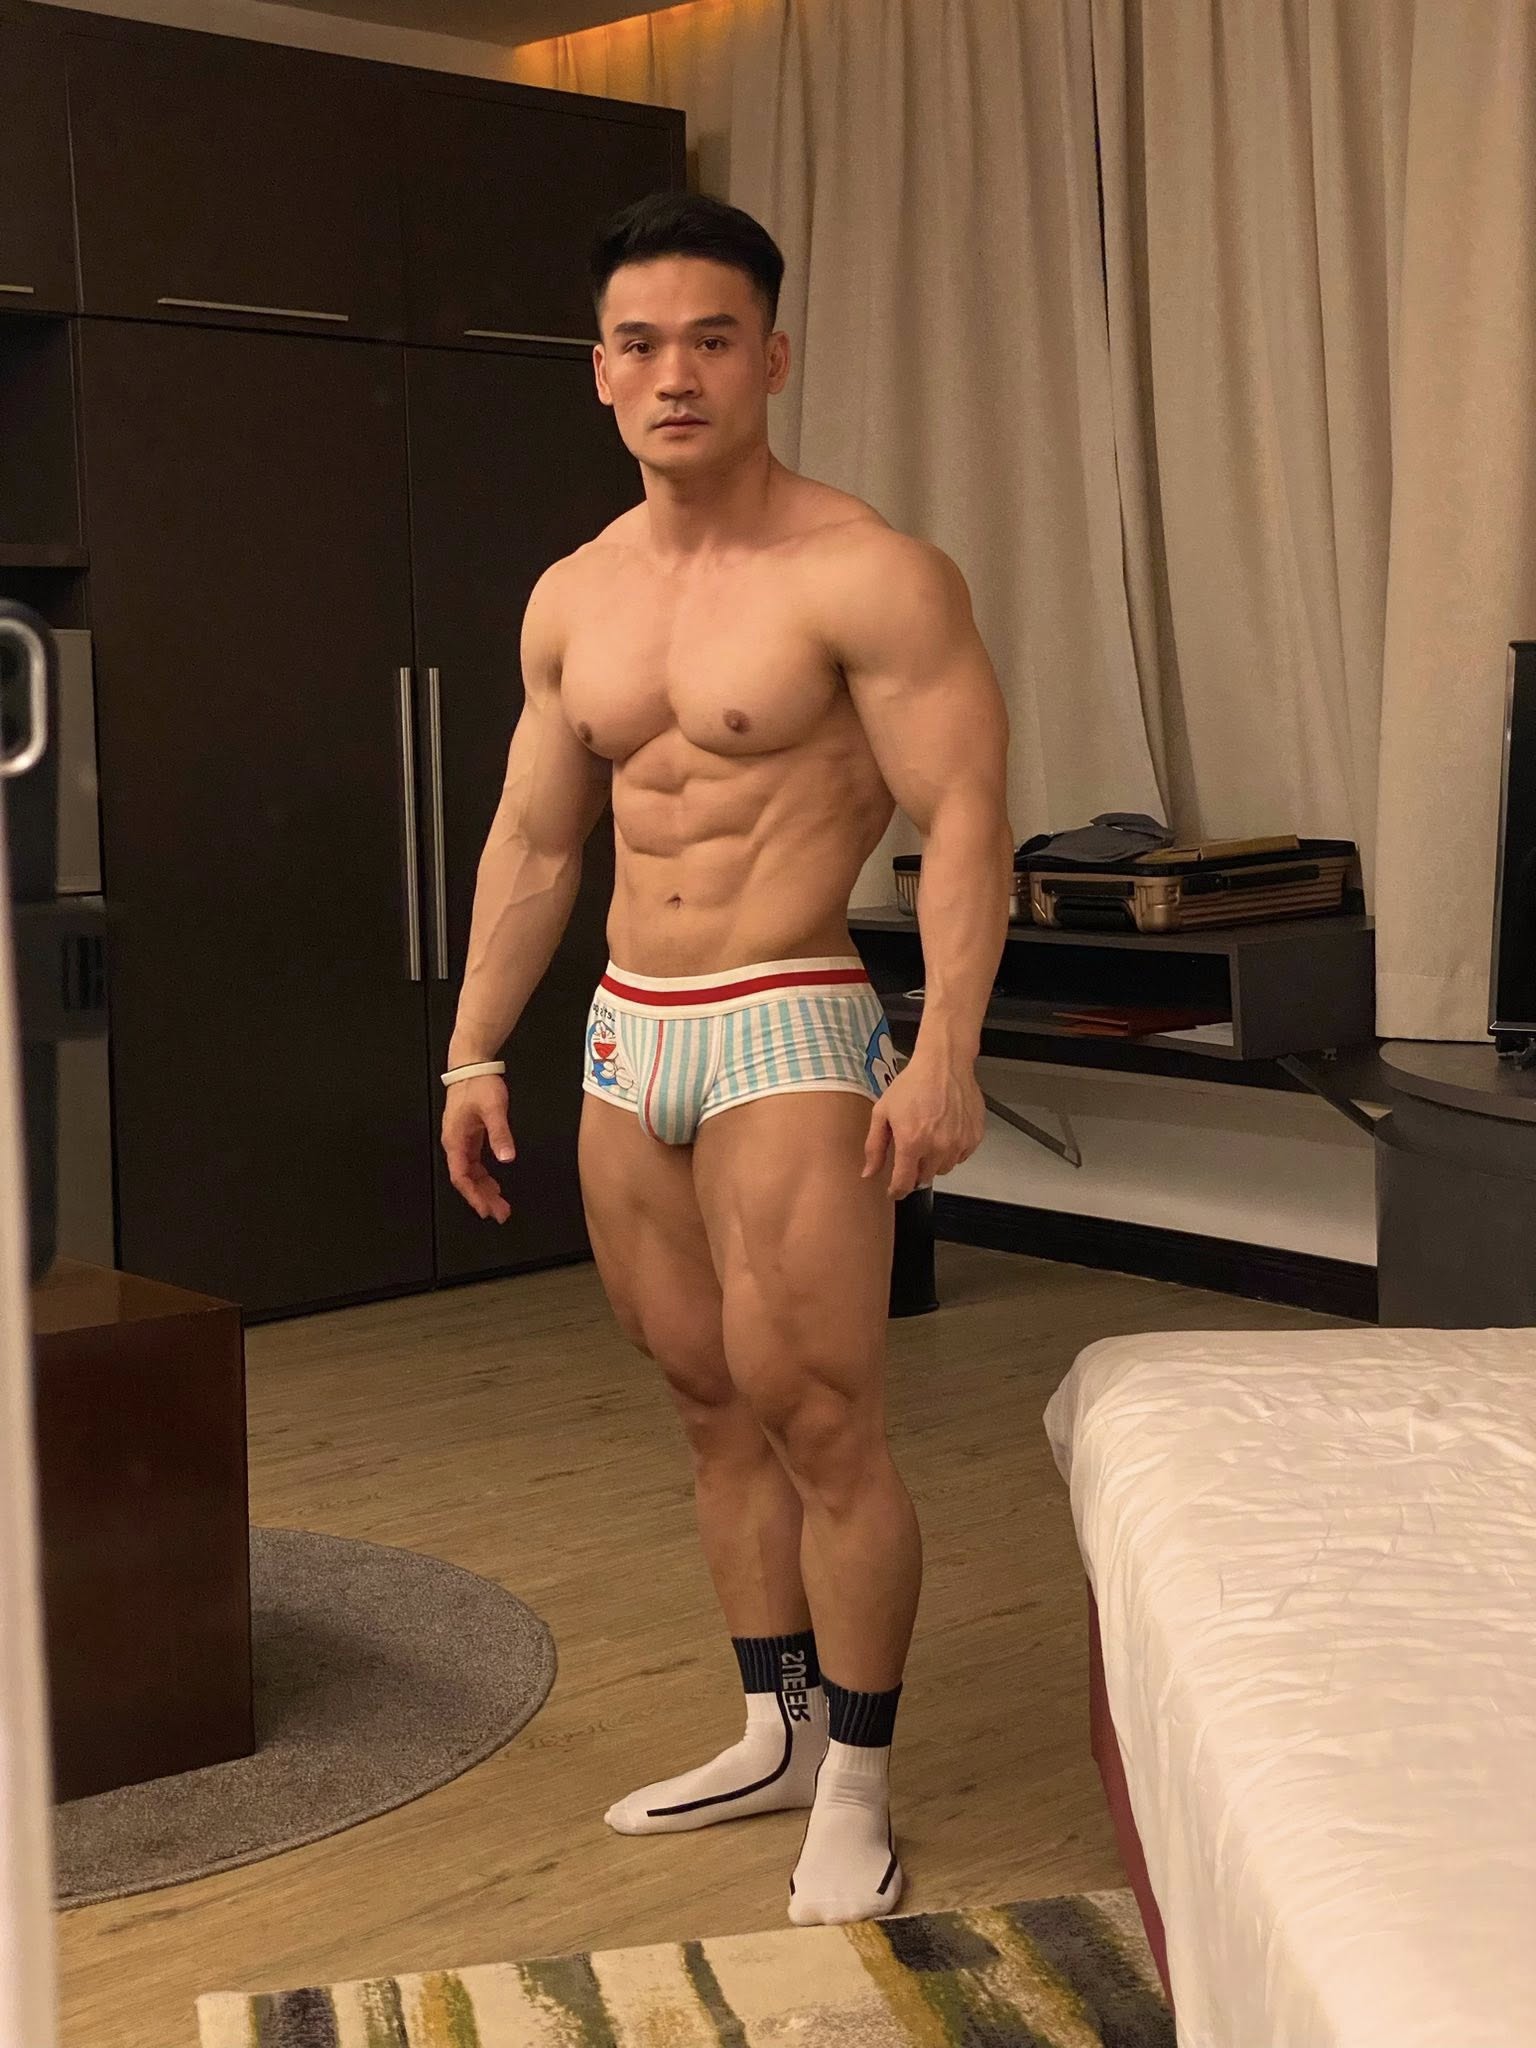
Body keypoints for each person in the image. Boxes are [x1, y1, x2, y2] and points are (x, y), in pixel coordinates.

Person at [440, 191, 1011, 1927]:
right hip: (630, 1032)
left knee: (820, 1414)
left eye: (711, 339)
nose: (675, 373)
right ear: (599, 370)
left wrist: (948, 1048)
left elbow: (965, 816)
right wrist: (471, 1051)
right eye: (642, 344)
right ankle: (773, 1728)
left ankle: (862, 1785)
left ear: (773, 357)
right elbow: (538, 840)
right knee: (707, 1406)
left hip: (786, 1015)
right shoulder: (575, 596)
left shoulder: (868, 572)